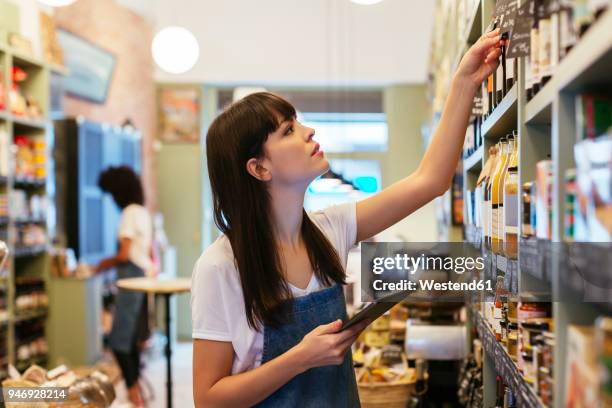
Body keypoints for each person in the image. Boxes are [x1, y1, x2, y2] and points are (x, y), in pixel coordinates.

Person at [191, 30, 503, 407]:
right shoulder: (219, 268)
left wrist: (465, 80)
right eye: (289, 130)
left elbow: (430, 180)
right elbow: (208, 399)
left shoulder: (330, 229)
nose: (309, 131)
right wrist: (301, 358)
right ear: (258, 168)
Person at [97, 165, 153, 408]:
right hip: (143, 276)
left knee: (119, 340)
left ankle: (133, 395)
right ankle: (136, 392)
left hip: (131, 276)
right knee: (132, 340)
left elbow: (124, 254)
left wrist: (100, 265)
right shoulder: (142, 211)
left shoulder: (129, 213)